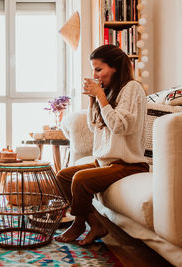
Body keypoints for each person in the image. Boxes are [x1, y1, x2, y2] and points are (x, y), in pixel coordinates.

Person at [54, 44, 149, 245]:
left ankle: (79, 224)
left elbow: (120, 126)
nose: (95, 75)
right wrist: (93, 100)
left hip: (128, 164)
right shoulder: (109, 91)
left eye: (99, 69)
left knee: (80, 179)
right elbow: (94, 125)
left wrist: (100, 96)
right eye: (93, 70)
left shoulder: (132, 88)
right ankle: (94, 223)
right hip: (105, 163)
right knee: (63, 176)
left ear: (114, 67)